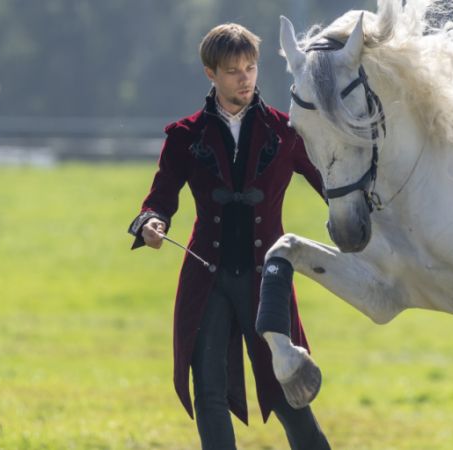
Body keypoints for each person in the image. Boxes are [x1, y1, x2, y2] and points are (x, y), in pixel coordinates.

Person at [127, 23, 330, 449]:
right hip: (207, 278)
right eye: (233, 70)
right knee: (210, 393)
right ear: (210, 74)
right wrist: (150, 222)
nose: (245, 78)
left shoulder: (287, 131)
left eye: (251, 68)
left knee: (288, 391)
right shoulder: (185, 137)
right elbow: (158, 199)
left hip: (268, 282)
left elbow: (332, 188)